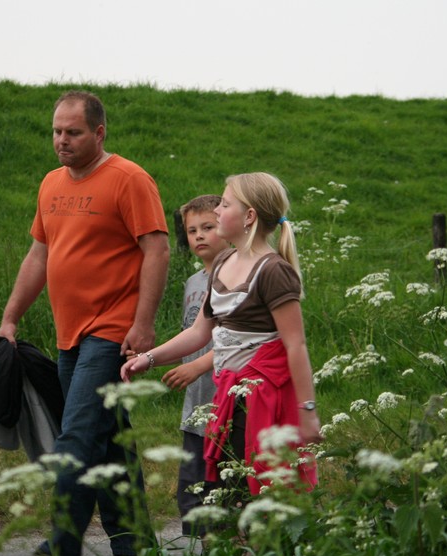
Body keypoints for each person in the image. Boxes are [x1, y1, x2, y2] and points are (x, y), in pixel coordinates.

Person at [0, 90, 169, 556]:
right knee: (110, 443)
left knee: (75, 437)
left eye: (73, 132)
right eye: (57, 131)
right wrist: (10, 318)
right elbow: (39, 256)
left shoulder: (129, 179)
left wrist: (143, 323)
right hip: (68, 336)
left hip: (111, 333)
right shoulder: (50, 183)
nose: (62, 140)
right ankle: (137, 550)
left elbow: (157, 250)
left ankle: (59, 549)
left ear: (99, 132)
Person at [122, 172, 320, 506]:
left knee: (262, 497)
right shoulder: (224, 262)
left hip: (264, 400)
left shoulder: (273, 271)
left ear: (249, 216)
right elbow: (200, 331)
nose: (217, 211)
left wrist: (308, 411)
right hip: (228, 395)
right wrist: (149, 358)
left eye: (225, 205)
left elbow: (295, 345)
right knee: (230, 495)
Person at [160, 195, 228, 537]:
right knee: (191, 495)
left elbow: (240, 340)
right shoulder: (193, 283)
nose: (199, 235)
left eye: (208, 227)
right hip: (195, 409)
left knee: (224, 496)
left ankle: (226, 554)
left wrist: (198, 367)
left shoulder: (238, 276)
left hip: (226, 406)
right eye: (191, 230)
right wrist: (150, 357)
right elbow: (191, 337)